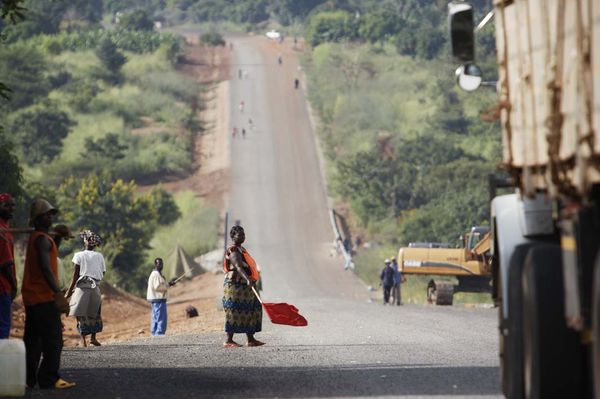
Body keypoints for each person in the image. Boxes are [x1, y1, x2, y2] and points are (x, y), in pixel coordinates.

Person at [22, 199, 74, 389]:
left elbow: (49, 256)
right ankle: (49, 378)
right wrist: (58, 293)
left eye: (52, 214)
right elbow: (45, 268)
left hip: (32, 298)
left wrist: (58, 237)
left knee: (33, 341)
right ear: (37, 218)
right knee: (53, 340)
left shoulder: (40, 238)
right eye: (47, 214)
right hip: (43, 297)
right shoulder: (42, 239)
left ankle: (28, 380)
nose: (50, 217)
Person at [222, 225, 264, 347]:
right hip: (236, 286)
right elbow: (238, 266)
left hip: (245, 285)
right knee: (235, 311)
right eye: (239, 235)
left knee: (251, 309)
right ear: (233, 236)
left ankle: (250, 339)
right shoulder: (233, 250)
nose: (243, 236)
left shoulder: (241, 249)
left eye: (243, 234)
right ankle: (228, 340)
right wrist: (247, 279)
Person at [65, 230, 106, 347]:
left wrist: (69, 291)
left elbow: (75, 275)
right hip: (95, 287)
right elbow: (103, 272)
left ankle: (82, 340)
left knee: (80, 313)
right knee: (95, 312)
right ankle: (93, 338)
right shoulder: (99, 256)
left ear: (85, 241)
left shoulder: (78, 255)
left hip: (81, 287)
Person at [0, 193, 17, 339]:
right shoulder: (2, 230)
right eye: (7, 205)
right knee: (3, 327)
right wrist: (14, 285)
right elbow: (5, 263)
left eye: (13, 205)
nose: (11, 208)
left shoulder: (6, 228)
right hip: (3, 286)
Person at [146, 258, 175, 336]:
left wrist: (169, 284)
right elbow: (157, 288)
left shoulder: (157, 274)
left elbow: (160, 285)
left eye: (161, 264)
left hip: (156, 300)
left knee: (155, 318)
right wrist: (168, 286)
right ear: (155, 265)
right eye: (159, 264)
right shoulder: (156, 275)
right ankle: (159, 334)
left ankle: (154, 334)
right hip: (158, 300)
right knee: (161, 318)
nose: (161, 265)